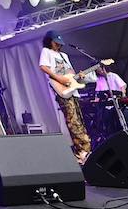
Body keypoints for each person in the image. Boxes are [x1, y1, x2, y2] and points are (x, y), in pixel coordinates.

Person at [39, 30, 93, 164]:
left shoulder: (64, 55)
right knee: (72, 120)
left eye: (59, 43)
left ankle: (84, 151)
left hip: (72, 89)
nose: (58, 45)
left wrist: (79, 76)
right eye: (56, 42)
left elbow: (70, 71)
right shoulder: (46, 51)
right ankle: (82, 151)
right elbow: (43, 67)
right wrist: (59, 79)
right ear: (50, 41)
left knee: (79, 120)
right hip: (62, 88)